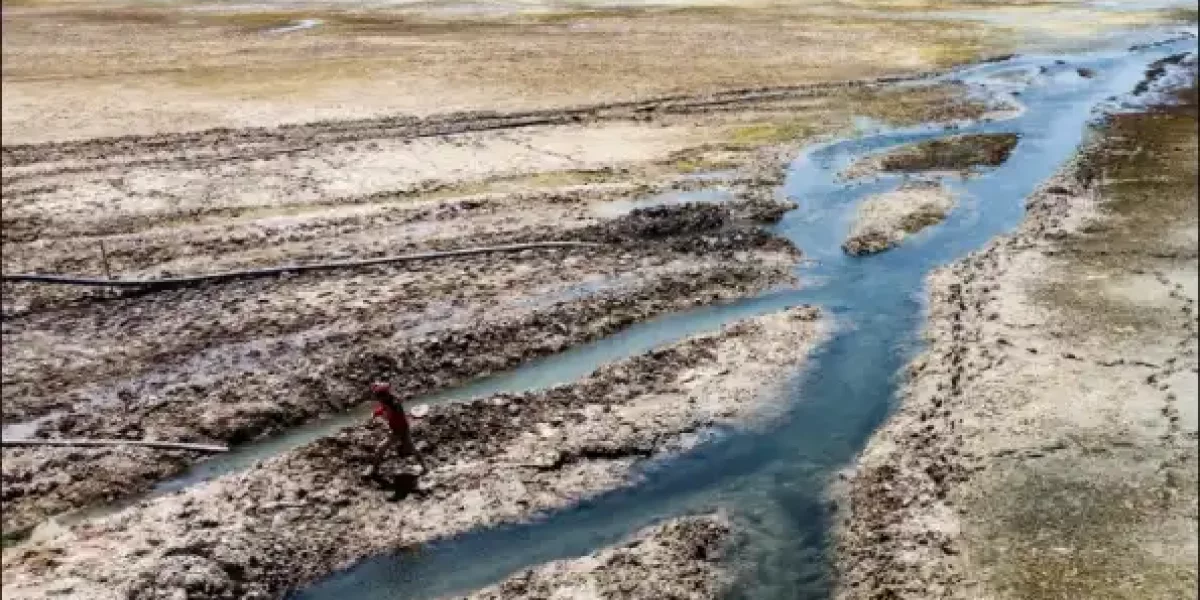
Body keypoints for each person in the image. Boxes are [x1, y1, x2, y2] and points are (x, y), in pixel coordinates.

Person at [367, 381, 428, 476]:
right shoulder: (387, 401)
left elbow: (396, 418)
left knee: (383, 448)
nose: (378, 399)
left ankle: (374, 471)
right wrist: (376, 413)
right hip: (397, 429)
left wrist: (392, 430)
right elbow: (383, 408)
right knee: (408, 448)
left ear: (384, 395)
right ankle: (374, 470)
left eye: (378, 396)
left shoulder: (395, 405)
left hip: (401, 430)